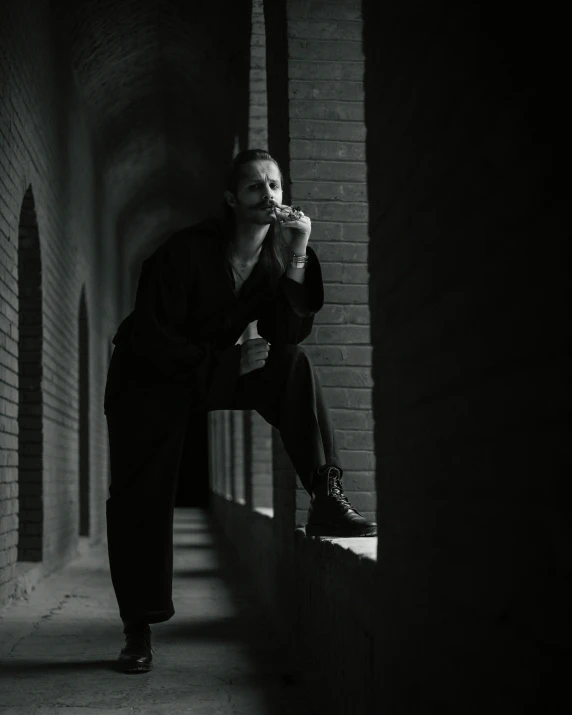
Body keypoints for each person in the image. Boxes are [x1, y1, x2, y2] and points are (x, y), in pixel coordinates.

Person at [103, 148, 377, 673]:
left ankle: (325, 493)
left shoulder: (277, 254)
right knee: (141, 499)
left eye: (274, 185)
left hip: (208, 370)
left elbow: (286, 334)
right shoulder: (183, 253)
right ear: (232, 199)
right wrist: (225, 364)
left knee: (292, 366)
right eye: (255, 187)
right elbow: (151, 338)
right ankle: (137, 629)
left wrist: (299, 250)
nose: (268, 195)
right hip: (148, 380)